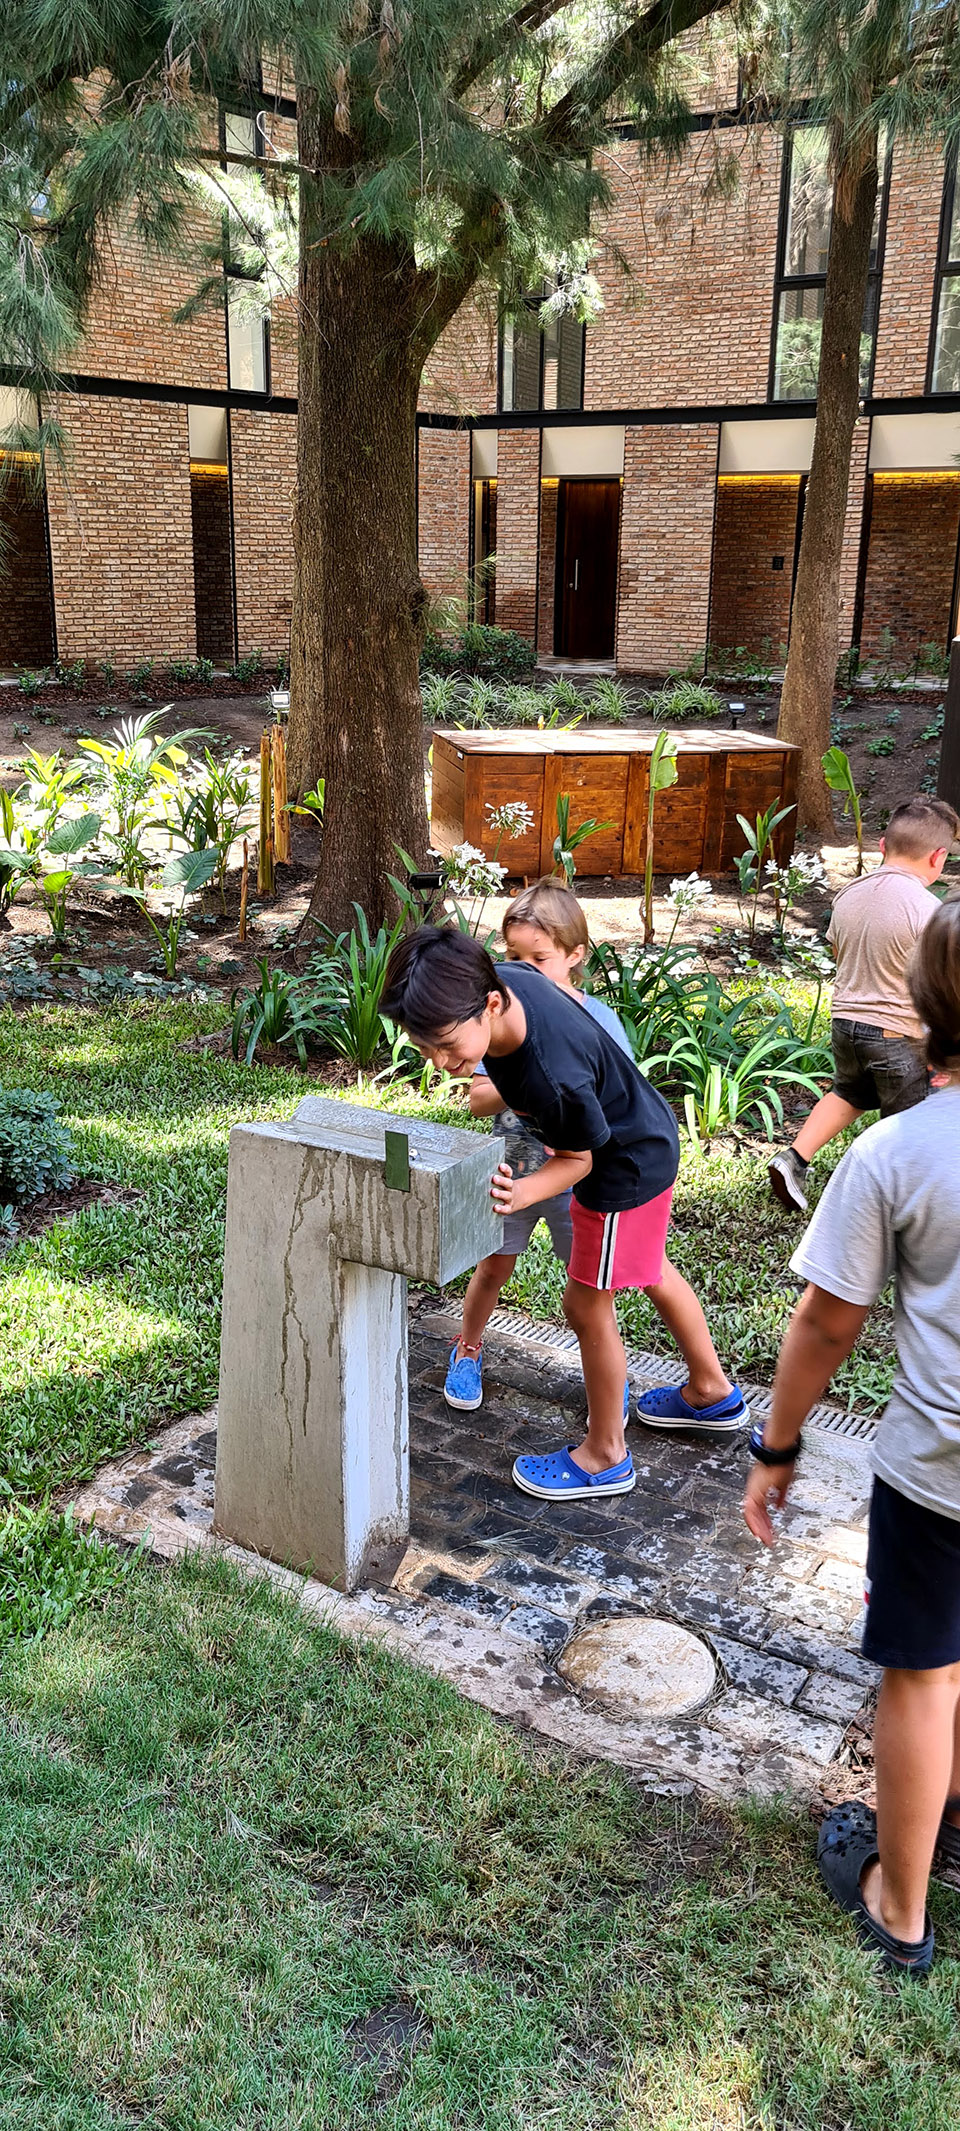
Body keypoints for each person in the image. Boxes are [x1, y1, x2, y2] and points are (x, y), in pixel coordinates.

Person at [744, 893, 960, 1976]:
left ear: (923, 1013)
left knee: (923, 1672)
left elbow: (828, 1322)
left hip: (938, 1471)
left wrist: (777, 1448)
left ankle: (901, 1905)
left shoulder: (894, 1153)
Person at [382, 926, 746, 1503]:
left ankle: (605, 1455)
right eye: (426, 1048)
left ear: (491, 1005)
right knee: (653, 1270)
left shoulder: (548, 1078)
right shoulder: (510, 980)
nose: (443, 1063)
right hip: (646, 1140)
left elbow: (579, 1160)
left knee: (584, 1304)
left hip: (620, 1171)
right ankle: (710, 1390)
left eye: (448, 1045)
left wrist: (522, 1194)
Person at [444, 877, 634, 1413]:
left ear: (576, 956)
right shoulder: (500, 1018)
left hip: (580, 1181)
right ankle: (468, 1348)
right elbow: (478, 1099)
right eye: (513, 956)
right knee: (492, 1269)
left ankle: (605, 1371)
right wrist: (530, 1079)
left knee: (591, 1294)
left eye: (540, 957)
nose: (524, 969)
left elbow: (617, 1098)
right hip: (512, 1176)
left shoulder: (599, 1020)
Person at [769, 795, 958, 1215]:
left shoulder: (849, 895)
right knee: (910, 1121)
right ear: (938, 857)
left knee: (850, 1092)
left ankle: (794, 1158)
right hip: (897, 1035)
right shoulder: (927, 909)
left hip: (846, 1026)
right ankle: (891, 1201)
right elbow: (937, 982)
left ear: (882, 846)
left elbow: (837, 951)